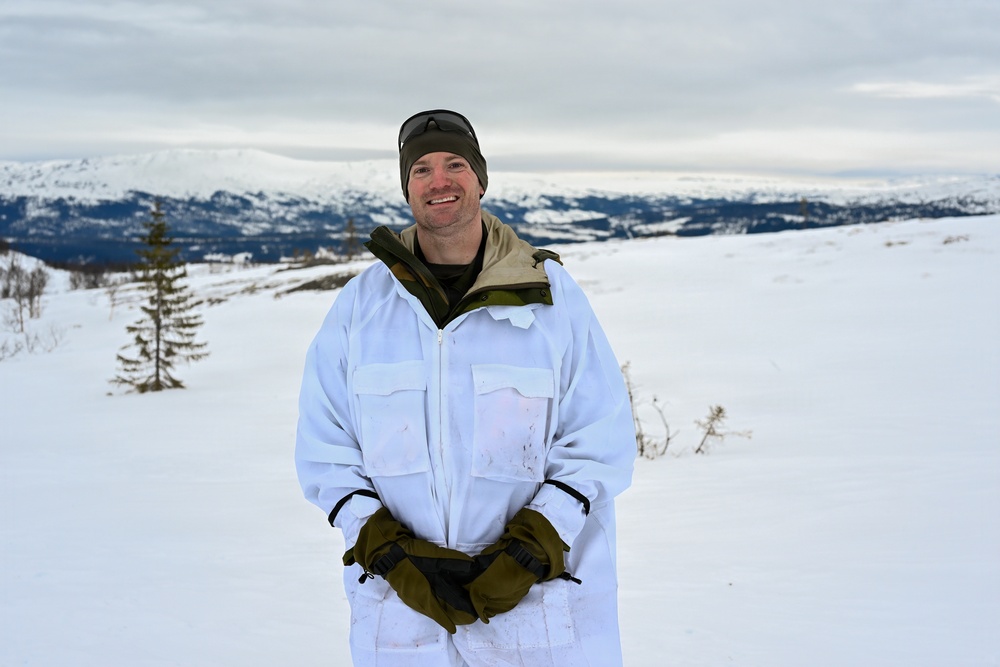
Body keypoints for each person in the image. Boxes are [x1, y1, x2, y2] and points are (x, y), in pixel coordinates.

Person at [294, 109, 635, 666]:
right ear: (407, 188)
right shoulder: (361, 307)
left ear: (480, 177)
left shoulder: (550, 297)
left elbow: (601, 437)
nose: (439, 181)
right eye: (421, 169)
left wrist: (533, 547)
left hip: (539, 605)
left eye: (455, 164)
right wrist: (384, 548)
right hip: (401, 613)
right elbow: (325, 446)